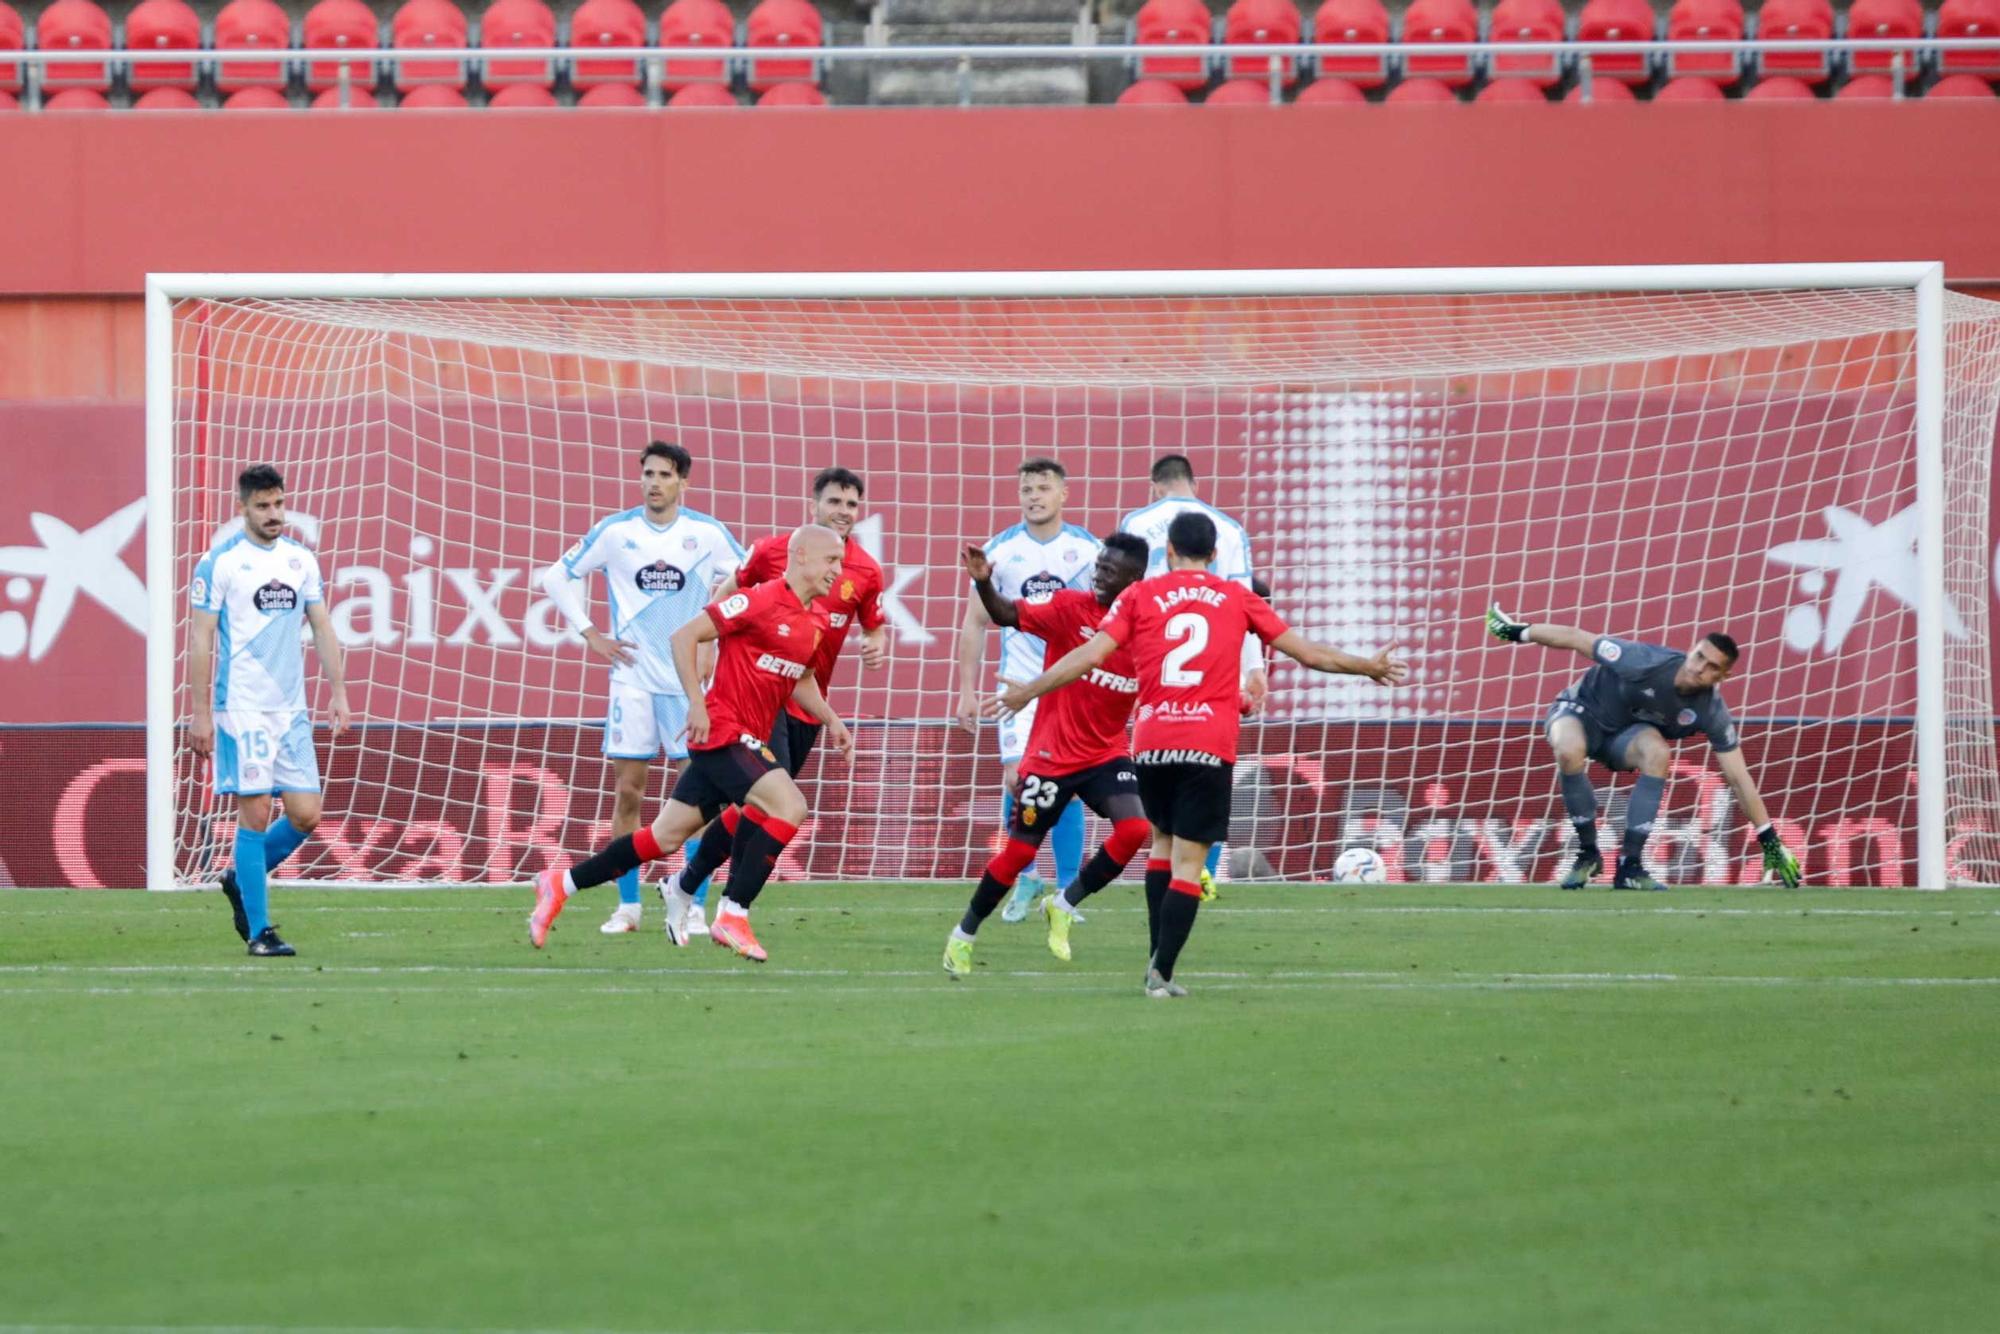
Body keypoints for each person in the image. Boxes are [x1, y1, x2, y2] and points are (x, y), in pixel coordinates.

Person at [998, 512, 1405, 998]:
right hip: (1206, 744)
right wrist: (1367, 667)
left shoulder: (1138, 595)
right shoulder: (1238, 597)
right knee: (1190, 864)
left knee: (1162, 849)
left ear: (1167, 551)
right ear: (1214, 555)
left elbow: (1087, 656)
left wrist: (1030, 692)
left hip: (1150, 743)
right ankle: (1161, 973)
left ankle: (1154, 956)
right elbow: (1308, 654)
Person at [528, 525, 853, 962]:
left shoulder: (815, 622)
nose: (838, 569)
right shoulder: (757, 599)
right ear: (800, 555)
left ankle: (561, 884)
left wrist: (831, 718)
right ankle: (733, 913)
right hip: (721, 731)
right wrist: (696, 705)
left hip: (744, 737)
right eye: (831, 559)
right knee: (788, 806)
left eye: (841, 561)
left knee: (662, 837)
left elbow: (802, 680)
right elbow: (684, 636)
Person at [660, 466, 889, 942]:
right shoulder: (774, 551)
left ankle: (686, 885)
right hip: (764, 699)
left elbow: (873, 625)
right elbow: (726, 596)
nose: (843, 512)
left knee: (752, 806)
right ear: (815, 506)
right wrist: (705, 650)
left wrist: (875, 644)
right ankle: (731, 908)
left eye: (851, 505)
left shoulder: (865, 570)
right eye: (834, 502)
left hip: (806, 697)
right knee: (772, 800)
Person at [538, 441, 744, 935]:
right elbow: (555, 577)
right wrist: (592, 635)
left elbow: (750, 578)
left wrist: (717, 637)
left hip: (685, 684)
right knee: (628, 791)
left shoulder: (706, 533)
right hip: (631, 682)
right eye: (648, 473)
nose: (654, 482)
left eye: (665, 475)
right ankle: (627, 906)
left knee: (698, 800)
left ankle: (691, 901)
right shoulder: (616, 532)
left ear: (683, 482)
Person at [942, 533, 1153, 978]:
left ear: (1135, 580)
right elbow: (1002, 613)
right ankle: (963, 935)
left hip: (1106, 754)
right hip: (1050, 757)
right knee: (1018, 855)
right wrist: (983, 583)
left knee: (1135, 829)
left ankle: (1064, 902)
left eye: (1109, 571)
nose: (1098, 575)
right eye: (1098, 565)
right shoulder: (1068, 607)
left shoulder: (1149, 629)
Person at [1485, 604, 1802, 891]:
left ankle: (1630, 866)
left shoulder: (1712, 711)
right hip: (1580, 711)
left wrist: (1769, 840)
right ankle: (1588, 854)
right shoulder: (1644, 661)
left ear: (1724, 675)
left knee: (1658, 753)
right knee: (1569, 750)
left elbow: (1738, 778)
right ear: (1691, 651)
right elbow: (1577, 638)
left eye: (1710, 666)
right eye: (1698, 656)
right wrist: (1517, 631)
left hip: (1623, 736)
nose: (1698, 667)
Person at [188, 464, 352, 957]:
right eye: (263, 506)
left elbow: (322, 627)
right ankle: (260, 932)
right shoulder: (219, 563)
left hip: (290, 710)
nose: (274, 514)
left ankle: (242, 877)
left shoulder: (300, 560)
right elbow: (199, 639)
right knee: (255, 813)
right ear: (242, 508)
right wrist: (200, 713)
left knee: (306, 815)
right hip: (242, 707)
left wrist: (338, 691)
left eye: (279, 503)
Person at [953, 458, 1100, 924]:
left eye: (1043, 487)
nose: (1033, 496)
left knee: (1070, 787)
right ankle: (1027, 875)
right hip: (1017, 686)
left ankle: (1065, 890)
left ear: (1064, 495)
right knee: (1018, 779)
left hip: (1071, 685)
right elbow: (976, 621)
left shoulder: (1087, 550)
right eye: (1026, 489)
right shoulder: (1001, 550)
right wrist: (966, 690)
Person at [1119, 454, 1263, 896]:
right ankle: (1203, 872)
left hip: (1154, 674)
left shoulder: (1136, 522)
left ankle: (1163, 869)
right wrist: (1254, 669)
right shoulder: (1229, 528)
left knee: (1160, 791)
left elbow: (1123, 596)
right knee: (1210, 769)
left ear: (1154, 486)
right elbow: (1247, 601)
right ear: (1194, 484)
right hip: (1216, 672)